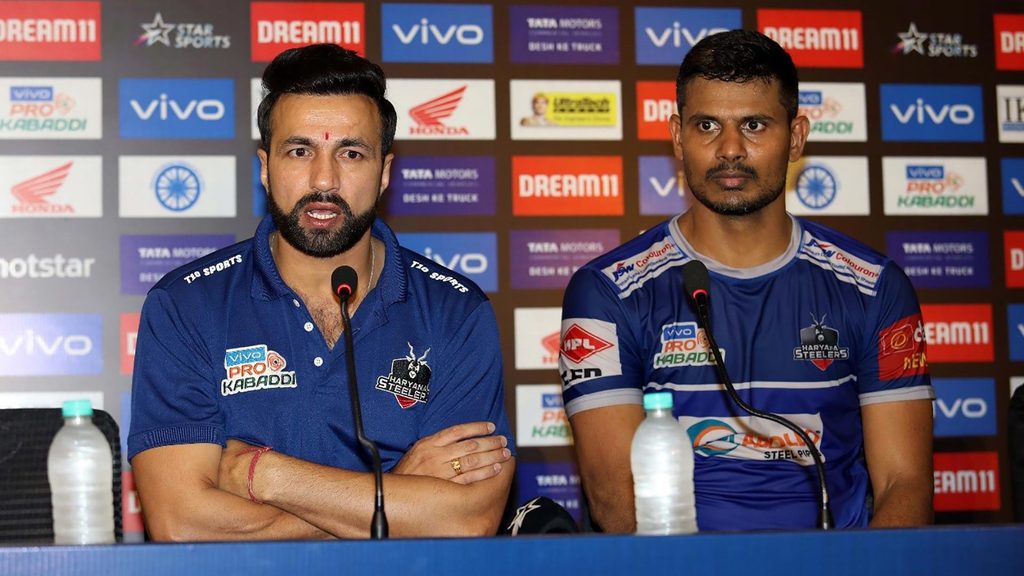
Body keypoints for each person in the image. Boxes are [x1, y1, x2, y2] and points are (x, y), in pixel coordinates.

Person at [128, 44, 515, 540]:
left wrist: (263, 474)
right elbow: (181, 524)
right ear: (265, 167)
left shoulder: (455, 311)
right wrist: (395, 493)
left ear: (386, 172)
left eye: (351, 153)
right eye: (300, 150)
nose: (324, 180)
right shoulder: (185, 305)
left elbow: (466, 520)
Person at [559, 30, 933, 532]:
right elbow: (614, 493)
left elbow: (903, 484)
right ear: (677, 136)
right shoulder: (607, 290)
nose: (730, 149)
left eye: (754, 124)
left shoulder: (874, 287)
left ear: (796, 136)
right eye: (707, 125)